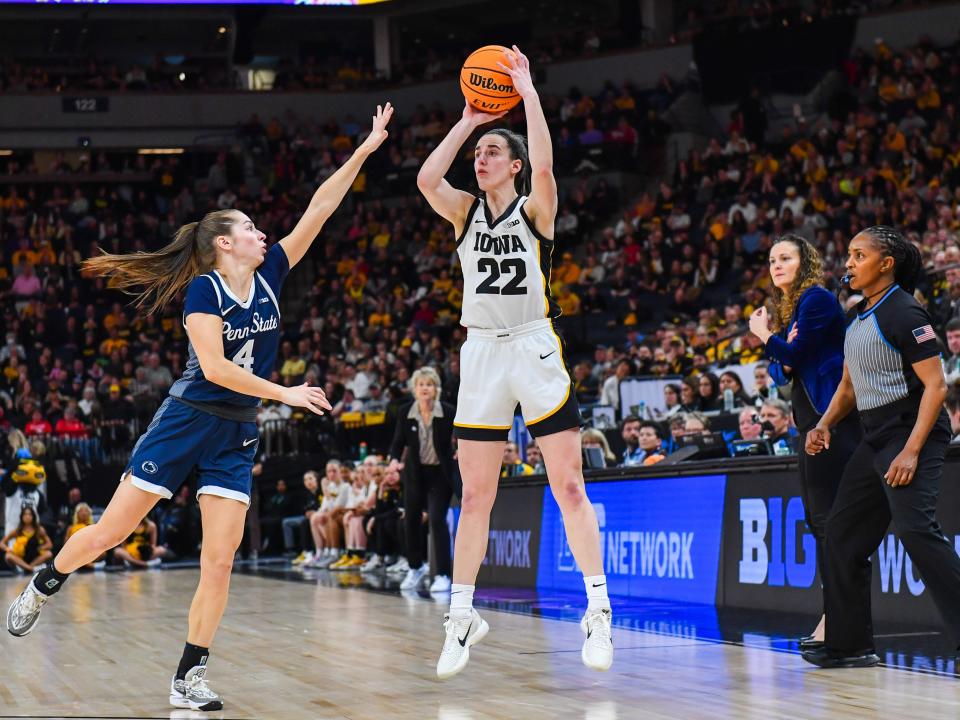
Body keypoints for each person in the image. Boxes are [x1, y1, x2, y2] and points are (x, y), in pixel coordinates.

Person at [6, 102, 393, 712]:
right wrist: (288, 394)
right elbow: (215, 370)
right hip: (187, 419)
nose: (263, 233)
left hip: (236, 434)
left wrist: (366, 149)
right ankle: (46, 580)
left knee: (220, 561)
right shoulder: (202, 290)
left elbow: (321, 206)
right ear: (224, 242)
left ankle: (188, 675)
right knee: (112, 530)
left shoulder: (272, 273)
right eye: (250, 228)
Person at [417, 46, 612, 679]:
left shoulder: (535, 210)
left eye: (493, 151)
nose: (481, 159)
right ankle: (461, 615)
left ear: (517, 165)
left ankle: (597, 611)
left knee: (569, 486)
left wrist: (527, 96)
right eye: (479, 154)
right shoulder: (464, 213)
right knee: (475, 495)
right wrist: (469, 122)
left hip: (533, 345)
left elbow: (549, 163)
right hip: (481, 354)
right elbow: (425, 179)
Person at [803, 226, 960, 669]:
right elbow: (851, 386)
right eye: (849, 255)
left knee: (916, 531)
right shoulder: (858, 317)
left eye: (858, 255)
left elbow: (935, 387)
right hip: (874, 434)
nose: (848, 264)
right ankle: (849, 644)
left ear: (885, 264)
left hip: (911, 429)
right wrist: (825, 423)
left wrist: (911, 450)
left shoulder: (908, 314)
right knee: (841, 534)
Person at [748, 233, 861, 648]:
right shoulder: (792, 307)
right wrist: (779, 345)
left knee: (829, 521)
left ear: (804, 263)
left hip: (830, 419)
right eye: (772, 259)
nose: (776, 265)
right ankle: (834, 614)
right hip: (809, 420)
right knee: (820, 521)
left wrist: (764, 336)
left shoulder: (815, 299)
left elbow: (790, 359)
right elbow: (781, 373)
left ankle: (838, 618)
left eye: (786, 258)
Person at [386, 367, 456, 593]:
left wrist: (461, 448)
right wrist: (394, 460)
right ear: (414, 389)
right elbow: (397, 442)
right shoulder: (406, 412)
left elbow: (462, 434)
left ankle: (444, 574)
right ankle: (415, 567)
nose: (425, 388)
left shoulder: (447, 411)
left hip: (440, 474)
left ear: (436, 389)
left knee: (436, 519)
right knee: (411, 521)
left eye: (429, 384)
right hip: (415, 474)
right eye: (421, 384)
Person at [1, 507, 52, 573]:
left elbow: (49, 544)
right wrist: (7, 549)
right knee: (8, 556)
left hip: (35, 556)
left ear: (33, 516)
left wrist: (41, 547)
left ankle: (29, 567)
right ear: (22, 517)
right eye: (25, 514)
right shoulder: (18, 530)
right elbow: (2, 543)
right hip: (21, 557)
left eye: (30, 514)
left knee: (48, 553)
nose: (27, 516)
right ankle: (29, 568)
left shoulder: (39, 530)